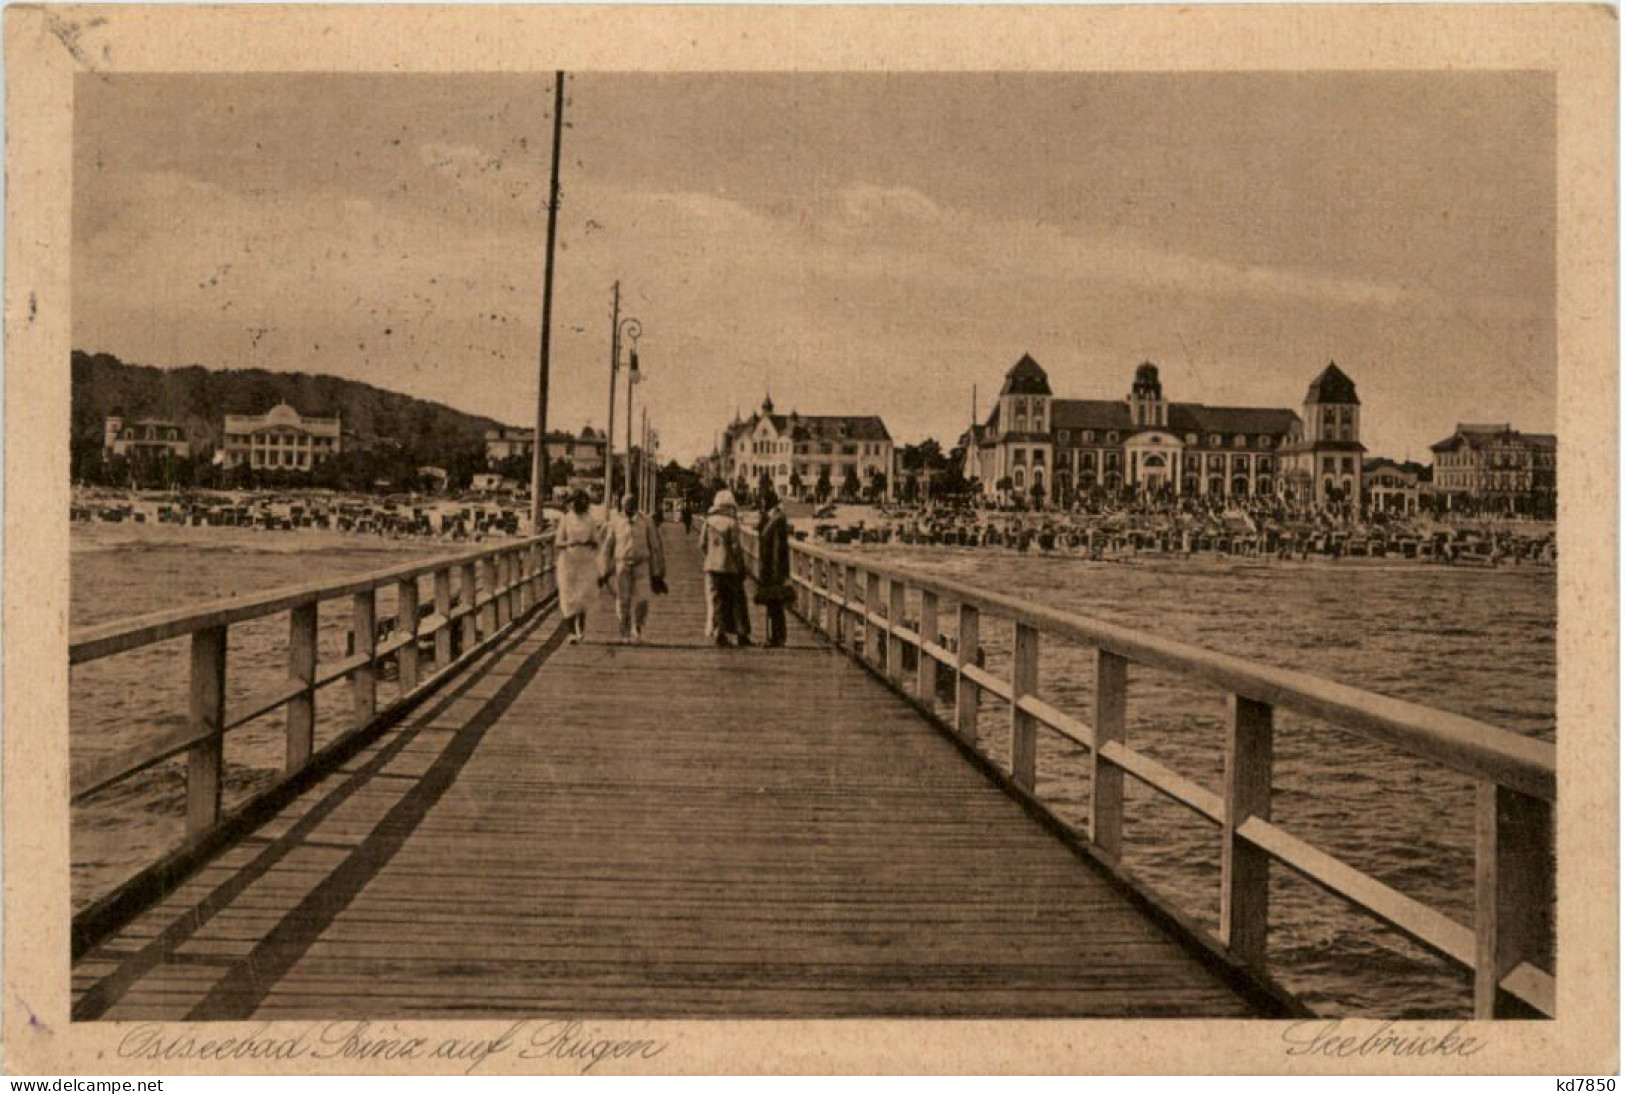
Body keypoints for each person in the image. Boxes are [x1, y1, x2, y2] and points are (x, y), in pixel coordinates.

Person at [598, 494, 667, 643]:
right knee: (623, 600)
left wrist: (658, 571)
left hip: (642, 564)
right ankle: (625, 632)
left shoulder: (646, 521)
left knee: (642, 599)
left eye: (630, 504)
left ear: (635, 505)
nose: (627, 507)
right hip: (621, 564)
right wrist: (602, 570)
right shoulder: (615, 522)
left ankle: (638, 628)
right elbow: (607, 547)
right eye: (625, 504)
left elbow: (655, 546)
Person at [698, 489, 751, 647]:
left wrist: (711, 556)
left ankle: (719, 634)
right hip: (730, 568)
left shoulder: (708, 521)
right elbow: (735, 547)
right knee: (737, 601)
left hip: (712, 567)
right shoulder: (732, 522)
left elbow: (701, 544)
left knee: (716, 601)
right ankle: (742, 635)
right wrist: (741, 566)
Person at [554, 490, 600, 643]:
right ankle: (571, 632)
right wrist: (570, 543)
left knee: (582, 596)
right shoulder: (565, 520)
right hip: (568, 561)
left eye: (578, 501)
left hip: (585, 561)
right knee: (568, 597)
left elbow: (596, 541)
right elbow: (557, 542)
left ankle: (581, 628)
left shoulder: (590, 520)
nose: (575, 504)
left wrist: (590, 543)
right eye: (572, 501)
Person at [754, 488, 792, 648]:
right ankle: (775, 637)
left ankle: (777, 638)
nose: (760, 504)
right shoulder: (773, 519)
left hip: (773, 569)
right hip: (771, 567)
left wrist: (777, 573)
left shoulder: (776, 521)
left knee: (775, 605)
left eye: (762, 501)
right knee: (774, 606)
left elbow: (777, 548)